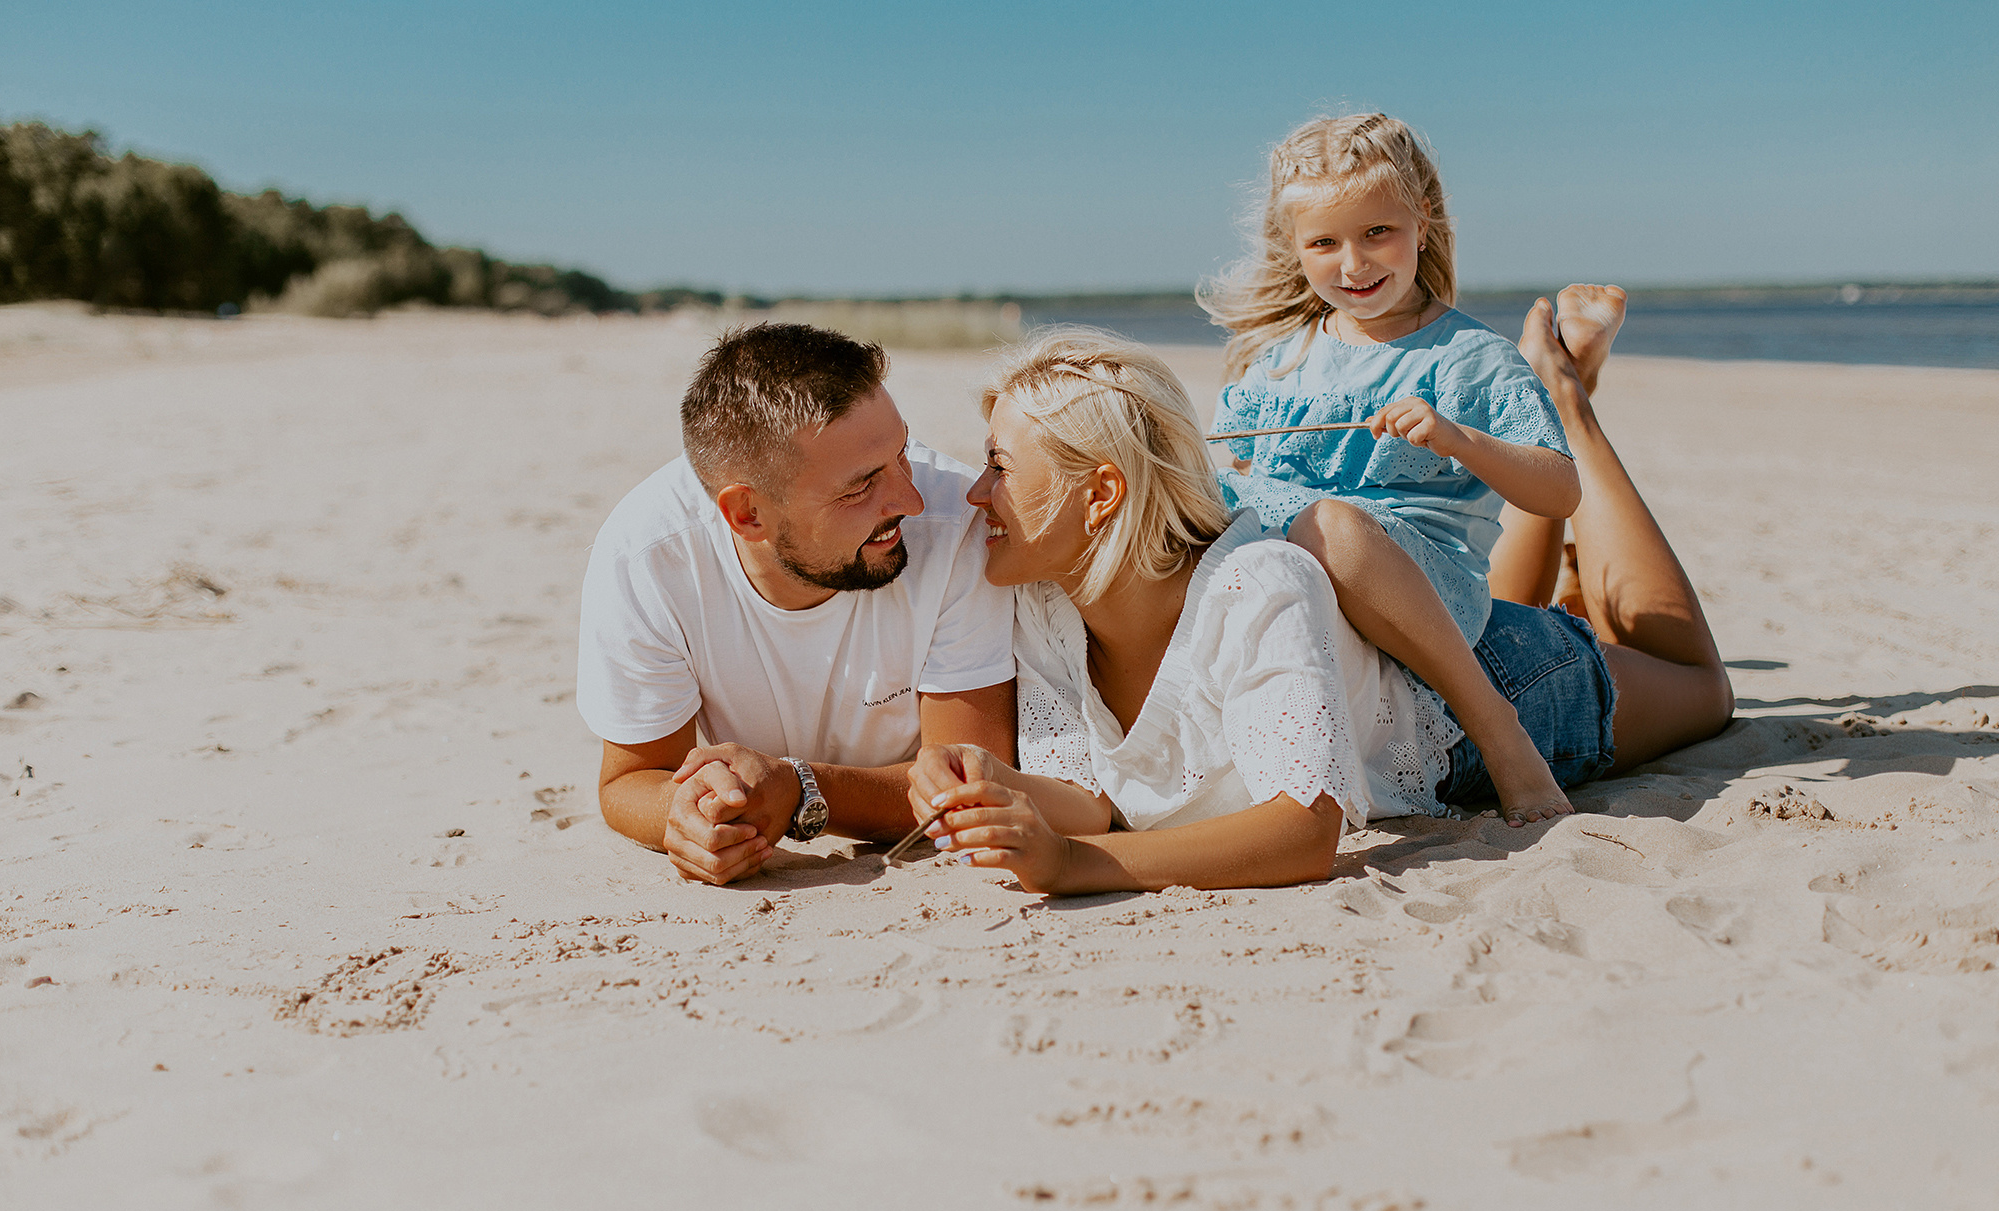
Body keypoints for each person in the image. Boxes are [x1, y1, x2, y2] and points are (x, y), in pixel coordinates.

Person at [906, 305, 1732, 897]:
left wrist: (1078, 867)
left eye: (1001, 467)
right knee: (1549, 605)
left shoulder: (1260, 584)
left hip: (1484, 692)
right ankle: (1567, 557)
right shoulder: (1044, 609)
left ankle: (1569, 404)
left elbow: (1305, 831)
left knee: (1700, 685)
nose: (977, 493)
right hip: (1386, 643)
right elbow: (1090, 799)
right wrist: (998, 783)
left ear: (1102, 494)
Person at [1198, 113, 1584, 826]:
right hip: (1301, 575)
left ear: (1423, 221)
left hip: (1421, 588)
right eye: (1325, 242)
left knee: (1332, 525)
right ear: (1295, 248)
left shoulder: (1469, 358)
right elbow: (1253, 472)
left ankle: (1499, 733)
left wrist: (1460, 439)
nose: (1354, 264)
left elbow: (1560, 488)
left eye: (1378, 232)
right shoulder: (1279, 359)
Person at [577, 323, 1016, 885]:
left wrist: (800, 790)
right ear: (748, 515)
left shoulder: (960, 526)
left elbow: (973, 784)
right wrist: (690, 818)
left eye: (902, 451)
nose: (911, 498)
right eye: (860, 487)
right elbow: (633, 779)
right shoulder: (649, 555)